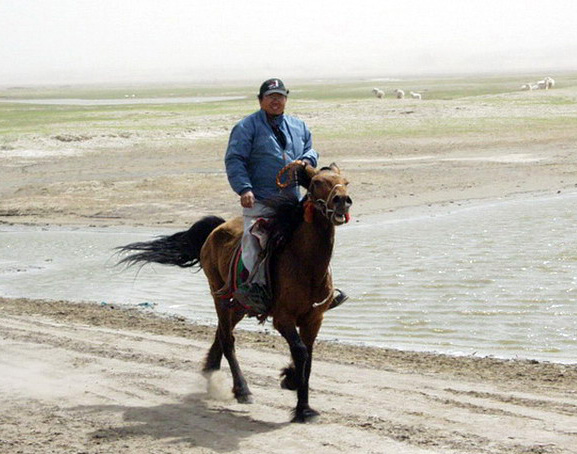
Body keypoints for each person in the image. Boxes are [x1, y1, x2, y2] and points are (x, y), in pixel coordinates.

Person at [224, 78, 347, 313]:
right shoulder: (246, 127)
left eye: (280, 96)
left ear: (286, 100)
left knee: (318, 236)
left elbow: (311, 149)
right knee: (254, 241)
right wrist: (244, 188)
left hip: (292, 201)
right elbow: (235, 159)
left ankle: (325, 290)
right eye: (271, 97)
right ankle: (254, 288)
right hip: (260, 199)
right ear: (261, 100)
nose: (276, 101)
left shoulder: (298, 126)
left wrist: (307, 160)